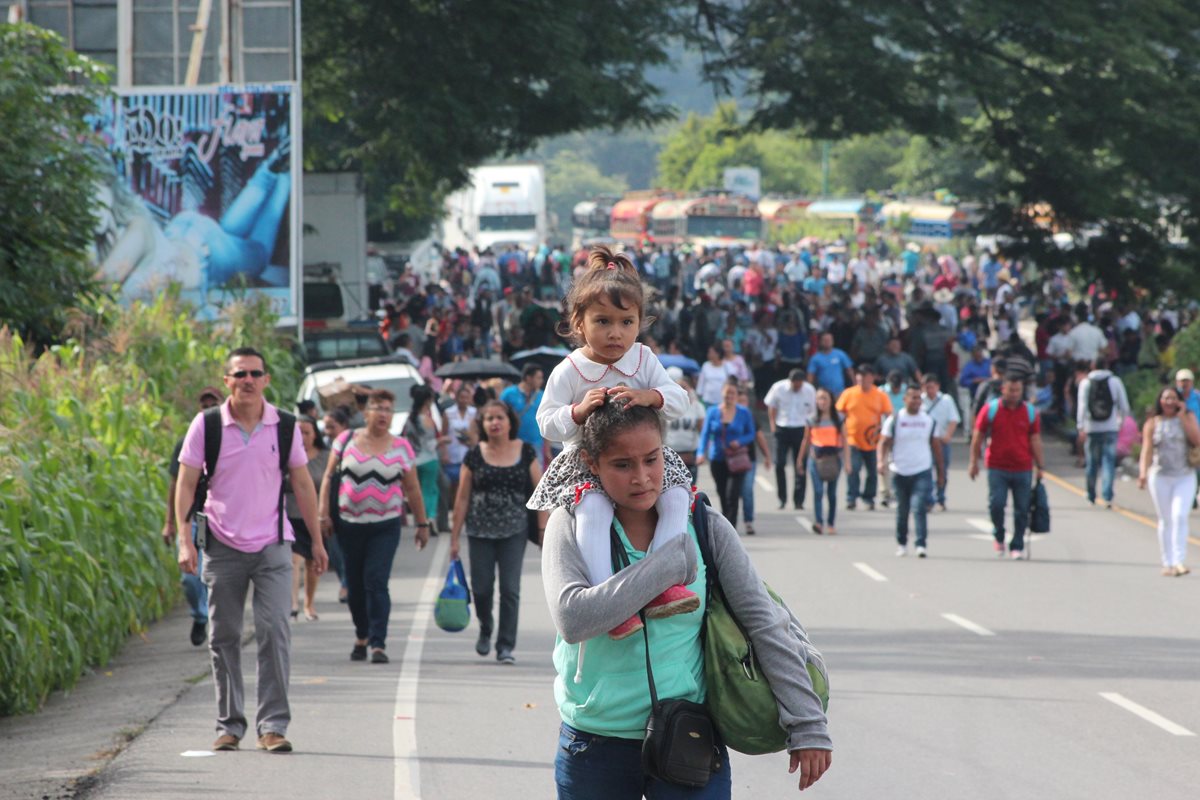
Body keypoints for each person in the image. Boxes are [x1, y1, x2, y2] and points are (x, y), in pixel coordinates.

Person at [541, 398, 833, 798]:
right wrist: (667, 565)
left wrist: (808, 722)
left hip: (689, 733)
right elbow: (574, 619)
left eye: (652, 459)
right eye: (622, 465)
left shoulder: (703, 523)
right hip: (593, 745)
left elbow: (762, 620)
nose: (642, 477)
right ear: (592, 463)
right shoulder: (569, 523)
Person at [530, 245, 695, 642]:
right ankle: (608, 600)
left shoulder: (644, 359)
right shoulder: (569, 370)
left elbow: (680, 399)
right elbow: (545, 423)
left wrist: (649, 397)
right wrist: (577, 411)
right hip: (585, 463)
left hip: (645, 458)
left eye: (626, 321)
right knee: (593, 508)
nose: (615, 333)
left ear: (640, 323)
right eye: (603, 321)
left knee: (676, 499)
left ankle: (663, 582)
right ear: (579, 323)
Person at [173, 347, 327, 754]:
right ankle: (230, 725)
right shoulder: (206, 425)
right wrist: (184, 540)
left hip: (273, 545)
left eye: (255, 373)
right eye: (240, 374)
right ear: (227, 380)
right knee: (222, 636)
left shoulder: (285, 425)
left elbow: (303, 485)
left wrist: (316, 541)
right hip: (221, 545)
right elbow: (185, 484)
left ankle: (273, 725)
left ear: (266, 380)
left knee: (275, 631)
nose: (248, 380)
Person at [319, 389, 430, 664]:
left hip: (385, 525)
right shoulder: (346, 440)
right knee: (354, 585)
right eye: (378, 408)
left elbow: (413, 488)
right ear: (366, 412)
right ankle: (362, 635)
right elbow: (328, 477)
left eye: (388, 410)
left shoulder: (402, 447)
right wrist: (323, 514)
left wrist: (422, 523)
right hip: (348, 524)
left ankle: (378, 642)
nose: (383, 414)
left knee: (376, 581)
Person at [450, 400, 546, 663]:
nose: (494, 422)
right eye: (489, 418)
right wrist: (454, 537)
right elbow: (461, 499)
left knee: (510, 589)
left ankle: (505, 645)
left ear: (509, 422)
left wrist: (542, 527)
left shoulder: (525, 452)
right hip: (479, 530)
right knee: (481, 589)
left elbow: (540, 492)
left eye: (499, 417)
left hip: (514, 530)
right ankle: (485, 628)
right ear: (481, 424)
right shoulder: (473, 455)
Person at [163, 386, 223, 646]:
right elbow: (177, 485)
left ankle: (217, 624)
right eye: (204, 403)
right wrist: (170, 523)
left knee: (217, 575)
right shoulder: (188, 439)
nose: (208, 407)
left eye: (214, 403)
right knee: (190, 577)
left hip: (222, 518)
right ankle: (201, 616)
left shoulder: (229, 437)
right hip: (196, 517)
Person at [967, 374, 1045, 560]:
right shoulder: (991, 410)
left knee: (1022, 509)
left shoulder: (1030, 412)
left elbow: (1035, 439)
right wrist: (973, 462)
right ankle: (999, 534)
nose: (1014, 394)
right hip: (997, 466)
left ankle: (1017, 544)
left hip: (1023, 467)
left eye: (1017, 390)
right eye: (1011, 390)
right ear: (1003, 389)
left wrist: (1040, 465)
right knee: (997, 504)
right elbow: (978, 436)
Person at [1138, 386, 1200, 576]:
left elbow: (1196, 440)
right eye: (1166, 398)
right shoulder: (1153, 422)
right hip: (1160, 476)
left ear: (1179, 401)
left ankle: (1179, 560)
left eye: (1173, 398)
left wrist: (1182, 416)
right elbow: (1147, 449)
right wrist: (1143, 473)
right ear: (1160, 401)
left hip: (1185, 475)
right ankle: (1168, 562)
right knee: (1165, 519)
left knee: (1180, 516)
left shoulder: (1187, 418)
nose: (1169, 402)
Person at [880, 385, 945, 558]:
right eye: (913, 398)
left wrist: (941, 473)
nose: (916, 401)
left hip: (922, 470)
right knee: (903, 509)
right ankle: (902, 543)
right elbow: (884, 442)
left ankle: (921, 544)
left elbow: (936, 448)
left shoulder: (928, 421)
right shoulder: (895, 420)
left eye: (918, 398)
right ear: (905, 399)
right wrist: (881, 462)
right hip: (900, 471)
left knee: (919, 507)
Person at [697, 381, 758, 530]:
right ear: (722, 393)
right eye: (727, 393)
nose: (729, 396)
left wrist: (740, 441)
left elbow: (751, 433)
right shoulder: (713, 411)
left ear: (736, 396)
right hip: (718, 458)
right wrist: (700, 453)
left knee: (733, 493)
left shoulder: (744, 412)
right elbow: (705, 434)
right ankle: (725, 522)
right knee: (722, 492)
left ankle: (731, 527)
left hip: (736, 460)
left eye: (733, 393)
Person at [287, 416, 329, 621]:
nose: (302, 438)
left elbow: (328, 485)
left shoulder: (325, 456)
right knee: (293, 560)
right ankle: (293, 604)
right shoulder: (286, 455)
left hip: (314, 517)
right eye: (298, 433)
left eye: (306, 433)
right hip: (289, 515)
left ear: (315, 435)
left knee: (314, 562)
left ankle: (309, 604)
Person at [835, 364, 893, 511]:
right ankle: (851, 498)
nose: (862, 382)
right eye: (859, 379)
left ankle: (869, 498)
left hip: (873, 440)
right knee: (854, 469)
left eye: (865, 378)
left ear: (872, 378)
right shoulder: (849, 393)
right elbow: (838, 414)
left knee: (872, 472)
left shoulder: (880, 395)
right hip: (852, 438)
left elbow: (889, 415)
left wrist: (886, 432)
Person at [1076, 360, 1132, 508]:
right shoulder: (1115, 381)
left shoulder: (1086, 383)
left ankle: (1091, 494)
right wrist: (1120, 423)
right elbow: (1124, 406)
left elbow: (1081, 406)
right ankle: (1107, 496)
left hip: (1092, 428)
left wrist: (1080, 426)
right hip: (1111, 427)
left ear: (1092, 366)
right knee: (1108, 462)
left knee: (1092, 463)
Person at [764, 368, 816, 511]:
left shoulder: (809, 390)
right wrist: (773, 426)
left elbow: (813, 411)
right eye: (795, 384)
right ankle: (782, 498)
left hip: (801, 428)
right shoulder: (779, 387)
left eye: (800, 384)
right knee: (780, 464)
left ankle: (799, 500)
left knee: (800, 465)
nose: (797, 387)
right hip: (783, 426)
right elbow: (772, 406)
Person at [798, 388, 849, 535]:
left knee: (832, 493)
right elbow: (806, 440)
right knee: (818, 491)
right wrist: (800, 459)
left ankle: (831, 523)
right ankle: (819, 522)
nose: (822, 402)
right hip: (816, 459)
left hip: (833, 459)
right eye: (819, 398)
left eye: (825, 398)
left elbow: (845, 440)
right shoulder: (812, 419)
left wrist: (847, 462)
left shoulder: (838, 419)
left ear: (831, 400)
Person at [402, 384, 447, 535]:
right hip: (429, 459)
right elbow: (430, 443)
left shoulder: (409, 419)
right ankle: (429, 517)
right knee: (430, 490)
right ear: (428, 401)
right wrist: (443, 441)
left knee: (418, 490)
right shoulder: (428, 420)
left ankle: (420, 519)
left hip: (413, 460)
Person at [920, 374, 961, 512]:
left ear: (937, 386)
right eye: (926, 387)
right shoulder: (919, 400)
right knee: (926, 471)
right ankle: (929, 499)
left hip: (942, 441)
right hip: (925, 443)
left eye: (932, 387)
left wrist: (948, 435)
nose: (929, 390)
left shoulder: (946, 400)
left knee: (941, 470)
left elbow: (954, 419)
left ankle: (941, 497)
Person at [738, 384, 773, 536]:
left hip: (748, 460)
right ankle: (730, 521)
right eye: (739, 401)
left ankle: (748, 521)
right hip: (726, 460)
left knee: (747, 490)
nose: (742, 405)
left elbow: (759, 436)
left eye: (744, 401)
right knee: (730, 493)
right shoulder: (724, 414)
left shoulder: (750, 417)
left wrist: (767, 456)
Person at [663, 367, 707, 484]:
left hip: (689, 457)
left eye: (685, 387)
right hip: (669, 457)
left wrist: (701, 453)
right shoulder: (665, 406)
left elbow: (702, 431)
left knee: (690, 491)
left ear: (691, 389)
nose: (682, 391)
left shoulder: (697, 407)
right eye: (679, 388)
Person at [501, 364, 547, 464]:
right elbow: (500, 414)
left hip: (536, 444)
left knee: (537, 477)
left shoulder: (542, 396)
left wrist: (547, 450)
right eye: (538, 378)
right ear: (528, 378)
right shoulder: (508, 394)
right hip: (513, 442)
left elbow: (546, 422)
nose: (541, 381)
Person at [807, 332, 853, 399]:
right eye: (825, 340)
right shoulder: (815, 358)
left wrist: (855, 385)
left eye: (829, 339)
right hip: (824, 394)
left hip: (840, 392)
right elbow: (810, 376)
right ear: (820, 342)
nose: (827, 342)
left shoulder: (840, 354)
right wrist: (809, 391)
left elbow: (850, 370)